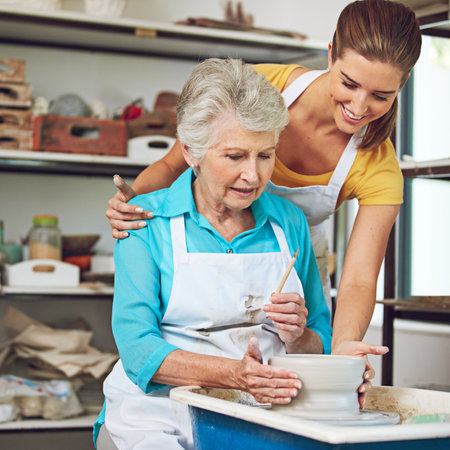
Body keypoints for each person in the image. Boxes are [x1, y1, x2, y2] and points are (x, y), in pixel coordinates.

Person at [105, 0, 422, 359]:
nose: (360, 106)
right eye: (349, 83)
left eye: (382, 95)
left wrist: (342, 350)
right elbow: (173, 164)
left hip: (293, 260)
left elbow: (359, 280)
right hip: (205, 233)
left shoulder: (379, 167)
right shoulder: (260, 86)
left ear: (404, 82)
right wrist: (132, 205)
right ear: (331, 54)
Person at [95, 58, 332, 449]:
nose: (253, 176)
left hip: (263, 416)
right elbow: (138, 350)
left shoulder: (288, 223)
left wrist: (298, 336)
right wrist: (235, 375)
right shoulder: (145, 224)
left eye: (265, 155)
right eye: (235, 157)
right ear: (190, 151)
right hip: (157, 417)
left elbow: (321, 336)